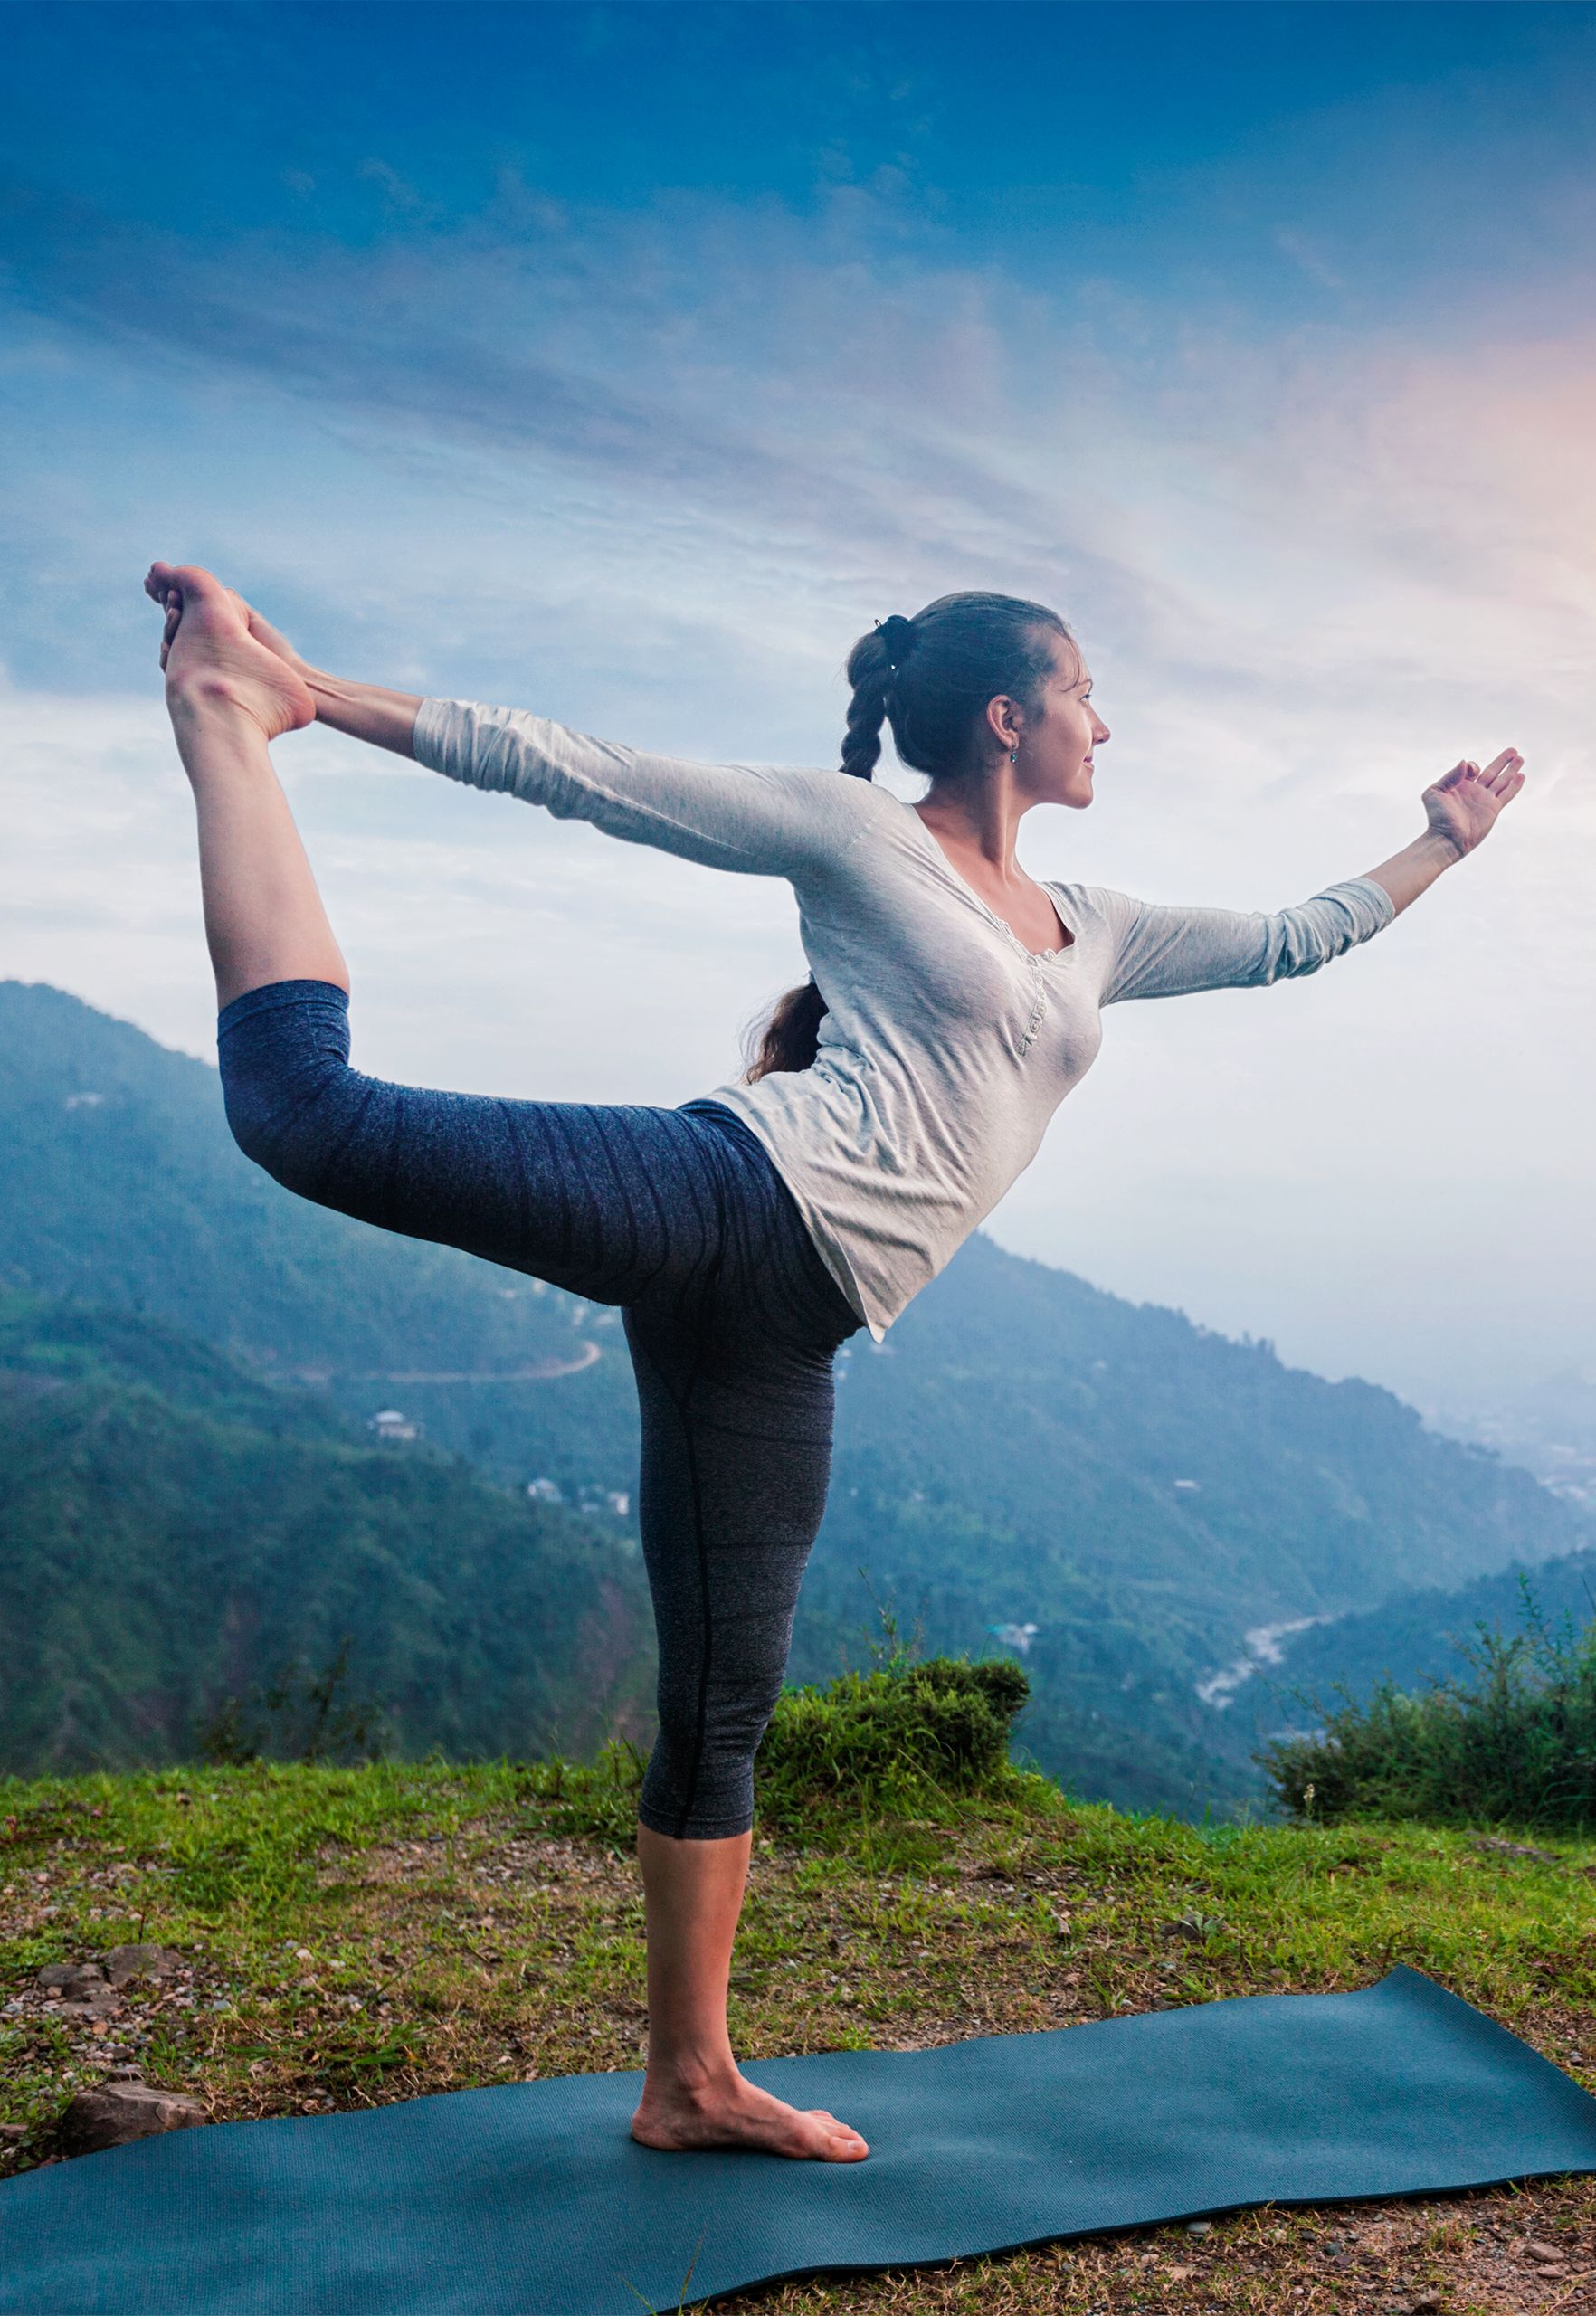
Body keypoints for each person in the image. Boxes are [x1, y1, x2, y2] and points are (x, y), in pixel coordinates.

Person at [144, 562, 1524, 2161]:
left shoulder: (1106, 929)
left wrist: (1444, 839)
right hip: (726, 1197)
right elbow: (574, 767)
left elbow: (1299, 935)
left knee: (724, 1703)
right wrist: (311, 693)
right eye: (1083, 692)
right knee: (307, 1114)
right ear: (1008, 719)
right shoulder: (861, 833)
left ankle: (689, 2084)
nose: (1104, 721)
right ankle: (227, 726)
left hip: (788, 1321)